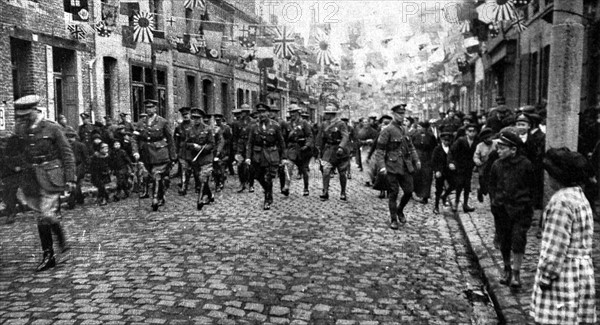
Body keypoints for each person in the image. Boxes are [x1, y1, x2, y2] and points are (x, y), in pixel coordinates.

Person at [531, 147, 596, 325]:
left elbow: (556, 247)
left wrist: (545, 276)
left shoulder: (561, 202)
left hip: (563, 275)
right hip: (581, 272)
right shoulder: (579, 196)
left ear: (557, 177)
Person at [11, 95, 75, 271]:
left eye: (26, 114)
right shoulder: (21, 129)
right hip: (31, 177)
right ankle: (54, 244)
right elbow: (17, 150)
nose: (23, 118)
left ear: (35, 110)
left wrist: (70, 178)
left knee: (45, 215)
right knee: (43, 215)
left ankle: (52, 252)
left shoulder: (52, 128)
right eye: (21, 115)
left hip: (51, 176)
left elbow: (67, 153)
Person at [489, 131, 533, 289]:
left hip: (520, 210)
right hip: (501, 210)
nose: (498, 151)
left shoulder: (525, 165)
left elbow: (533, 187)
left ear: (513, 150)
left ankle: (516, 273)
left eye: (502, 148)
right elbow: (492, 185)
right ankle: (507, 268)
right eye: (498, 147)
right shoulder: (496, 165)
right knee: (504, 241)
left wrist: (527, 204)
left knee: (518, 240)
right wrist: (494, 202)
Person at [378, 103, 421, 229]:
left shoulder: (405, 129)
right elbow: (380, 151)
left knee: (408, 191)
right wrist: (381, 166)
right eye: (399, 114)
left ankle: (400, 210)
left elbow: (411, 146)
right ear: (393, 115)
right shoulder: (387, 130)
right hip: (391, 166)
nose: (402, 116)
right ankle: (393, 219)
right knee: (393, 193)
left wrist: (416, 160)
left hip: (405, 165)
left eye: (403, 114)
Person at [132, 99, 177, 211]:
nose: (149, 109)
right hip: (146, 154)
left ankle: (155, 198)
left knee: (156, 175)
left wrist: (173, 156)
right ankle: (161, 196)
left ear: (155, 108)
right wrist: (135, 151)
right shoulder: (141, 122)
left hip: (160, 153)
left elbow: (170, 139)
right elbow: (134, 138)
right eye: (147, 107)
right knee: (153, 177)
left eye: (151, 107)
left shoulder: (162, 122)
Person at [246, 103, 285, 210]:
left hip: (271, 154)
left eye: (263, 112)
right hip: (257, 155)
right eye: (259, 112)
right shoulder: (253, 126)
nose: (261, 114)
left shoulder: (275, 126)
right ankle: (269, 191)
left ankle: (267, 199)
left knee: (268, 177)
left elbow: (281, 142)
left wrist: (283, 158)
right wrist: (248, 157)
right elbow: (250, 143)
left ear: (268, 113)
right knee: (258, 176)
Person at [316, 105, 350, 201]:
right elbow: (321, 138)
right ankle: (325, 191)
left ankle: (343, 192)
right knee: (326, 170)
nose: (325, 115)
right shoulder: (324, 124)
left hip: (340, 151)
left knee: (342, 173)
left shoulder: (341, 124)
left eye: (327, 113)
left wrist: (341, 147)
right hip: (329, 149)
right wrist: (320, 151)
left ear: (331, 114)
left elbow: (345, 136)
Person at [282, 104, 314, 196]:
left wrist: (307, 145)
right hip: (292, 148)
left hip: (302, 149)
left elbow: (310, 136)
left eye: (294, 112)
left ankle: (306, 188)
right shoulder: (287, 124)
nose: (292, 114)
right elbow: (284, 137)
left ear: (298, 113)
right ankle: (286, 187)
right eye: (291, 112)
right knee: (289, 167)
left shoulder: (304, 123)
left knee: (303, 169)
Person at [188, 108, 216, 210]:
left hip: (206, 157)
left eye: (198, 118)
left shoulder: (208, 129)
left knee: (203, 177)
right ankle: (209, 194)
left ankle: (200, 200)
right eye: (194, 118)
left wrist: (203, 148)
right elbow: (186, 143)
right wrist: (193, 145)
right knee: (198, 177)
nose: (196, 120)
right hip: (195, 158)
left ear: (202, 118)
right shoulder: (189, 130)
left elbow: (212, 144)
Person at [448, 123, 478, 213]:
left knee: (467, 186)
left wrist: (476, 164)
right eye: (469, 131)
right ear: (466, 132)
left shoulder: (477, 141)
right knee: (459, 184)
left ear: (476, 132)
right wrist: (450, 162)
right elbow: (451, 151)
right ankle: (456, 203)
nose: (471, 133)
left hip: (469, 167)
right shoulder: (461, 140)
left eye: (473, 131)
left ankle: (465, 204)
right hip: (460, 166)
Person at [411, 121, 437, 204]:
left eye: (420, 127)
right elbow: (411, 146)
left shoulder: (431, 136)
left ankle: (425, 196)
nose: (419, 128)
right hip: (416, 157)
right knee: (416, 176)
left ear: (425, 128)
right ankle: (415, 193)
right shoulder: (415, 135)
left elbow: (434, 148)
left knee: (426, 177)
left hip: (427, 158)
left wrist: (433, 160)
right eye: (418, 127)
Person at [233, 104, 255, 193]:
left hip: (250, 145)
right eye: (243, 112)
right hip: (240, 145)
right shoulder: (237, 123)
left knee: (250, 166)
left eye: (246, 112)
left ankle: (251, 184)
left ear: (249, 112)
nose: (244, 114)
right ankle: (242, 183)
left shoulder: (253, 122)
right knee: (240, 165)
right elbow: (235, 136)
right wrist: (235, 148)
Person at [65, 129, 89, 209]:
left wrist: (87, 169)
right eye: (67, 137)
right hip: (69, 167)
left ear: (75, 137)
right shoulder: (64, 146)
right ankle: (80, 198)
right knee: (76, 184)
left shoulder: (81, 145)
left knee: (75, 183)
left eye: (71, 137)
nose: (69, 139)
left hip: (79, 166)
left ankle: (71, 202)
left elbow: (86, 158)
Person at [431, 132, 455, 214]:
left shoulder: (452, 148)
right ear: (441, 140)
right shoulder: (437, 149)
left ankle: (444, 196)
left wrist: (453, 164)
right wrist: (436, 171)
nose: (446, 142)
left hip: (449, 171)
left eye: (448, 141)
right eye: (445, 140)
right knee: (438, 189)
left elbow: (455, 158)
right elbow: (433, 161)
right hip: (440, 171)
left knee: (453, 185)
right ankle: (436, 206)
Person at [174, 107, 194, 195]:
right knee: (184, 169)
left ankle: (198, 185)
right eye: (184, 115)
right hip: (183, 151)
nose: (185, 116)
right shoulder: (179, 127)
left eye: (187, 114)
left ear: (190, 115)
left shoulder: (195, 125)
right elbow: (176, 140)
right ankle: (184, 187)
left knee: (196, 170)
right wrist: (176, 152)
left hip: (194, 151)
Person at [473, 128, 496, 203]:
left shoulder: (496, 143)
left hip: (493, 166)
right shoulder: (480, 146)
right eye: (487, 138)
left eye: (490, 137)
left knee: (492, 184)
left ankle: (492, 199)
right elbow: (476, 156)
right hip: (483, 167)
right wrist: (477, 161)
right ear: (484, 139)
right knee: (484, 185)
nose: (489, 139)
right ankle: (480, 190)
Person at [213, 113, 232, 192]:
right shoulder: (213, 128)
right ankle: (217, 183)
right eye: (216, 120)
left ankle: (221, 181)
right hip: (214, 151)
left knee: (222, 168)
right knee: (215, 169)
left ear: (222, 119)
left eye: (219, 120)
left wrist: (223, 142)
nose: (218, 121)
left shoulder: (226, 128)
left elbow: (229, 139)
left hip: (224, 151)